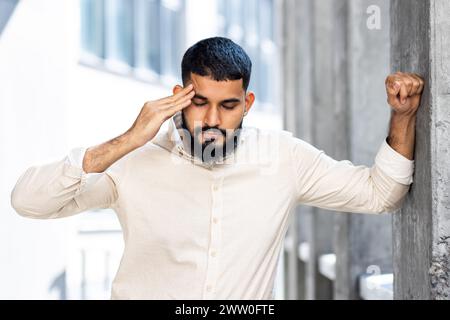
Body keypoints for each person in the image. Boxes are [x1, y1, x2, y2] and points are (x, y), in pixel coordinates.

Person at [11, 37, 424, 299]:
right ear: (178, 96)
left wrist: (402, 116)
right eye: (198, 102)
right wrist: (126, 141)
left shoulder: (282, 157)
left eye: (227, 106)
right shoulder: (132, 161)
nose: (211, 120)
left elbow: (381, 193)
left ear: (246, 104)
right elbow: (28, 202)